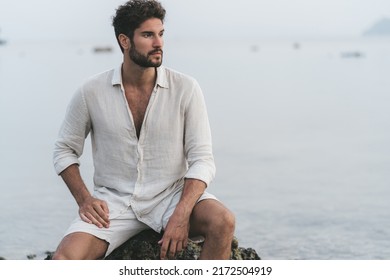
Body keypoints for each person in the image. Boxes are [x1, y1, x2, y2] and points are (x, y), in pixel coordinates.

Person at [52, 0, 235, 260]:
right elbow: (64, 150)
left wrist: (182, 214)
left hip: (170, 197)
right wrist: (84, 200)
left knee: (223, 221)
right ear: (124, 41)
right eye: (148, 35)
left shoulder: (186, 88)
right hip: (113, 205)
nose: (158, 43)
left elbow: (202, 160)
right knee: (63, 261)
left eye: (161, 34)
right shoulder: (91, 91)